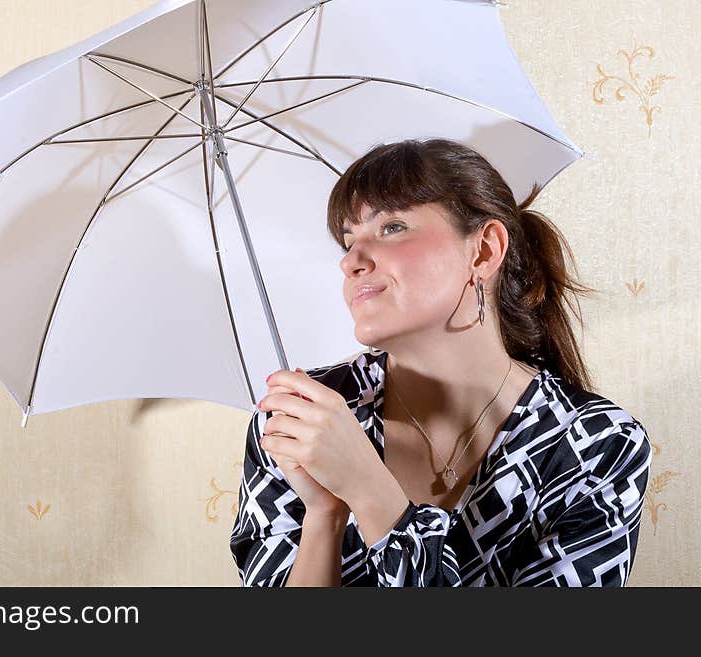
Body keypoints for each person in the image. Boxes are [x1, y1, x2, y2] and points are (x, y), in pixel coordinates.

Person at [229, 138, 652, 587]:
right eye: (348, 241)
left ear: (484, 251)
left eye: (391, 227)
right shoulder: (300, 421)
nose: (351, 260)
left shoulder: (597, 446)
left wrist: (369, 489)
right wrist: (323, 514)